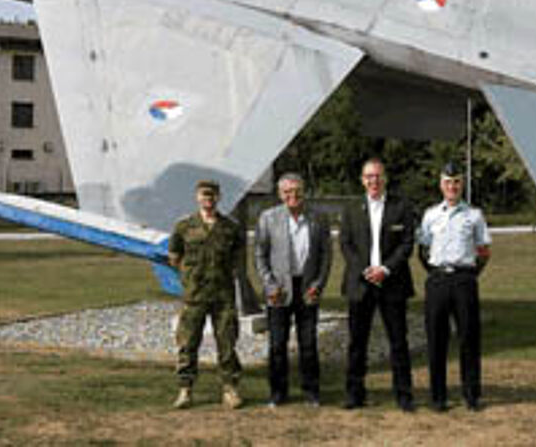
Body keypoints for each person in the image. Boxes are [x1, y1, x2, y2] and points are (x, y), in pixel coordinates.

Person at [340, 157, 418, 412]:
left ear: (385, 178)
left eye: (377, 176)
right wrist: (365, 269)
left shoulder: (401, 207)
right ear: (362, 180)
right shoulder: (351, 209)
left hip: (392, 283)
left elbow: (407, 243)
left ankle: (404, 395)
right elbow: (346, 244)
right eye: (369, 176)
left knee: (398, 342)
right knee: (357, 342)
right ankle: (354, 394)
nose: (373, 181)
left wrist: (385, 269)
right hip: (360, 284)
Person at [417, 161, 492, 412]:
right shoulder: (430, 215)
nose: (452, 186)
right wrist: (435, 273)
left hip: (464, 280)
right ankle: (438, 397)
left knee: (469, 338)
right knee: (436, 339)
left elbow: (483, 251)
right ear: (441, 185)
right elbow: (423, 249)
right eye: (448, 182)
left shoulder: (474, 215)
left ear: (462, 184)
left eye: (457, 182)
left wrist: (470, 274)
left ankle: (471, 394)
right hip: (438, 280)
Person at [254, 172, 332, 407]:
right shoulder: (268, 218)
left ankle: (311, 392)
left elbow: (326, 256)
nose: (293, 195)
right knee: (277, 345)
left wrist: (318, 285)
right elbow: (260, 255)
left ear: (304, 192)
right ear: (280, 194)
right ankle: (278, 393)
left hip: (307, 288)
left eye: (297, 191)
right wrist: (270, 285)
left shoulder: (318, 218)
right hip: (279, 290)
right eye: (287, 191)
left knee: (308, 344)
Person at [168, 179, 245, 410]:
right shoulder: (184, 226)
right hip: (195, 295)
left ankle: (230, 389)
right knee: (188, 343)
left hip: (223, 295)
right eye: (204, 195)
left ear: (218, 198)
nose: (208, 200)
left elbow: (238, 258)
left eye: (212, 195)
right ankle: (185, 389)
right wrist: (190, 277)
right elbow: (174, 257)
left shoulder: (230, 228)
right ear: (197, 197)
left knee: (227, 343)